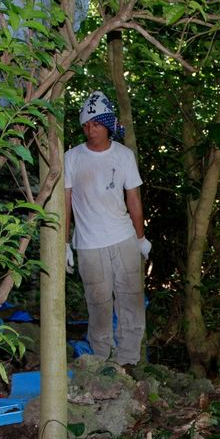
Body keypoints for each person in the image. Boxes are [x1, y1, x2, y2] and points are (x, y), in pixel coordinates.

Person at [64, 90, 149, 366]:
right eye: (86, 125)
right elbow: (65, 202)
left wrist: (140, 238)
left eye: (96, 124)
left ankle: (129, 361)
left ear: (108, 125)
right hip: (89, 244)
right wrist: (65, 243)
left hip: (123, 238)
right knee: (98, 306)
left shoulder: (123, 155)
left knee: (131, 301)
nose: (91, 130)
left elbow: (133, 198)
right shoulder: (72, 158)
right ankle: (101, 361)